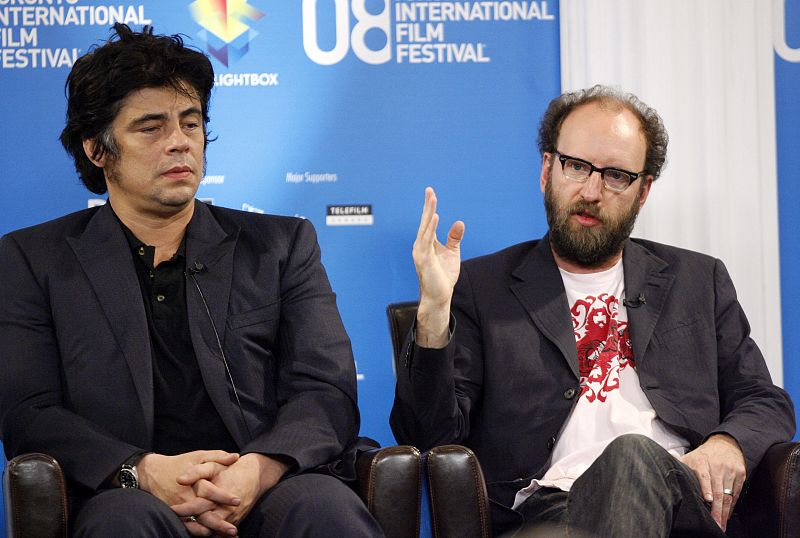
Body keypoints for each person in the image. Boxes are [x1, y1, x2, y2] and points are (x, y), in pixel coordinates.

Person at [0, 24, 383, 537]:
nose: (180, 142)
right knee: (122, 522)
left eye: (191, 123)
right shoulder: (32, 259)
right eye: (151, 127)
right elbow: (30, 413)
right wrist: (141, 471)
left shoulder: (280, 244)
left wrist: (261, 469)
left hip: (266, 484)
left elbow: (326, 390)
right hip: (126, 491)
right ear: (97, 149)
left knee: (325, 509)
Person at [390, 85, 796, 537]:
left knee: (633, 455)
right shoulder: (484, 289)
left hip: (684, 503)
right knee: (627, 458)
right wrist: (432, 315)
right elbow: (429, 434)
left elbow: (764, 399)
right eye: (576, 166)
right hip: (549, 510)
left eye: (617, 175)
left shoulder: (697, 280)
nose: (591, 190)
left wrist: (727, 443)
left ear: (643, 191)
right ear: (547, 170)